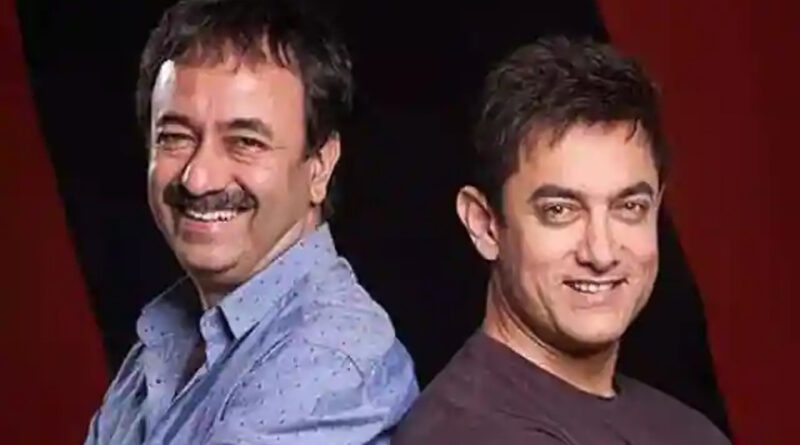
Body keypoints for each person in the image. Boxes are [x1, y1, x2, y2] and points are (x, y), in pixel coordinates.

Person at [84, 1, 418, 443]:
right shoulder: (169, 333)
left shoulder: (331, 362)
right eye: (175, 137)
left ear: (320, 166)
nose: (198, 178)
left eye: (245, 142)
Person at [392, 36, 729, 444]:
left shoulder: (687, 429)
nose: (601, 252)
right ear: (484, 224)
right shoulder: (464, 432)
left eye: (629, 207)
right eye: (560, 210)